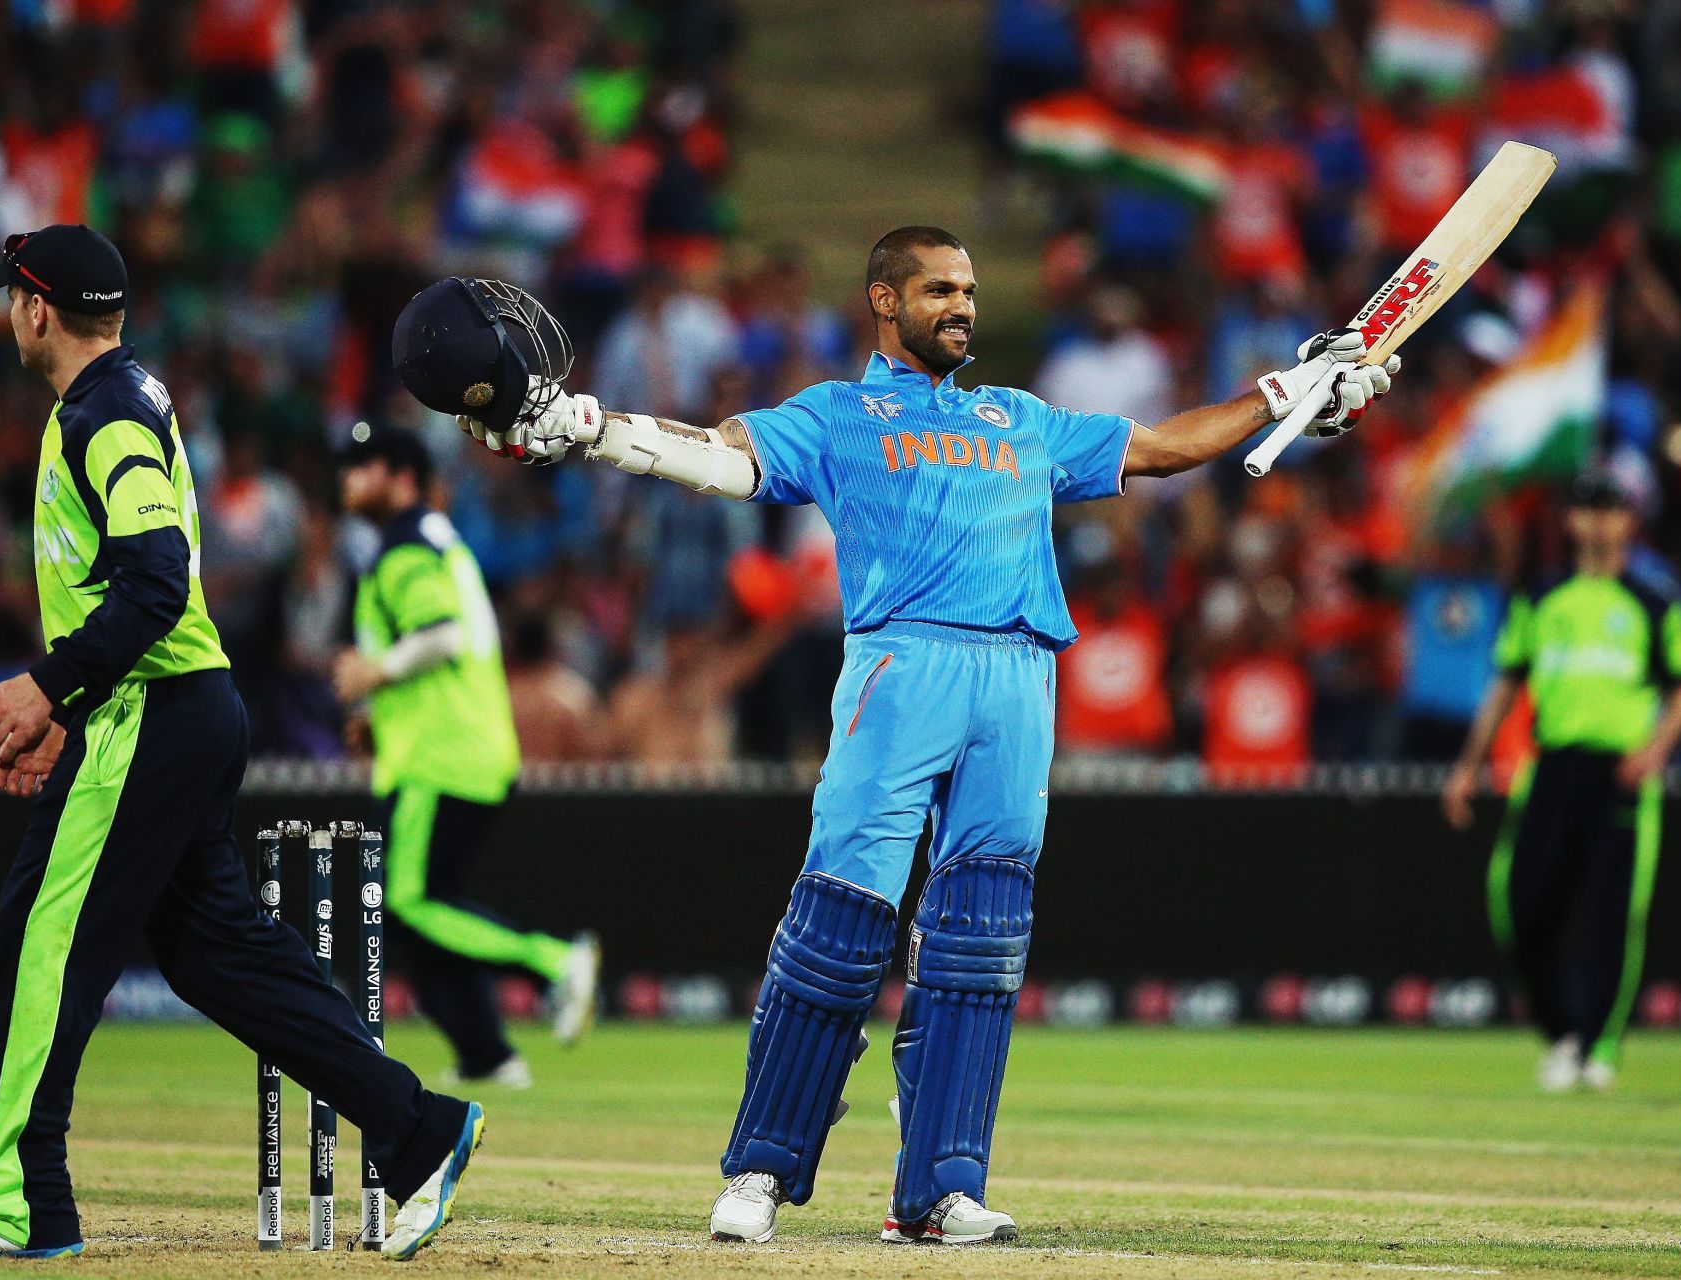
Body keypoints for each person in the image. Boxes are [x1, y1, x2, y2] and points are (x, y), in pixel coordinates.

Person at [453, 226, 1399, 1244]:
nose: (964, 305)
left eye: (971, 289)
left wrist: (1290, 397)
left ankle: (940, 1187)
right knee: (840, 922)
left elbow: (1164, 446)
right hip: (902, 668)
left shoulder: (1021, 418)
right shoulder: (837, 413)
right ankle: (760, 1172)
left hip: (1022, 676)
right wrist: (592, 427)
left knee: (981, 936)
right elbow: (726, 457)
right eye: (941, 289)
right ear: (885, 301)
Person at [0, 225, 483, 1261]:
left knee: (40, 932)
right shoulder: (123, 397)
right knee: (219, 957)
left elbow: (158, 580)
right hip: (171, 707)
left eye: (13, 298)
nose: (8, 315)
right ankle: (418, 1129)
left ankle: (18, 1201)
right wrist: (70, 707)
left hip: (154, 712)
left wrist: (48, 686)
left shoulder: (108, 413)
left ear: (36, 309)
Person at [333, 423, 600, 1089]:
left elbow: (443, 635)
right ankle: (486, 1055)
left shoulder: (403, 550)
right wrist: (379, 716)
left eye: (363, 466)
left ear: (402, 478)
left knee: (411, 902)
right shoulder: (436, 543)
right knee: (425, 915)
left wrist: (375, 675)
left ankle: (555, 961)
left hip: (438, 755)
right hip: (457, 745)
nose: (347, 479)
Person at [1443, 468, 1681, 1093]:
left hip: (1621, 774)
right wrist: (1468, 767)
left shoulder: (1653, 600)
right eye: (1587, 509)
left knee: (1613, 916)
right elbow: (1508, 679)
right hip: (1552, 765)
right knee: (1521, 903)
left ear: (1628, 521)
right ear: (1571, 521)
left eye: (1611, 510)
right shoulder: (1543, 596)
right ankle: (1562, 1032)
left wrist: (1657, 749)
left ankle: (1597, 1047)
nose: (1599, 521)